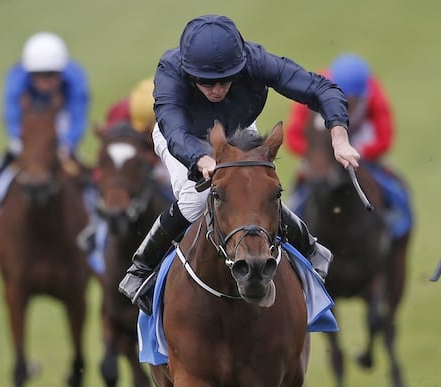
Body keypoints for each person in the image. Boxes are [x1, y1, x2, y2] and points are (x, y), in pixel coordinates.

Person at [118, 14, 359, 315]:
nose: (218, 89)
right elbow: (174, 129)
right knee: (200, 198)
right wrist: (202, 159)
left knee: (255, 188)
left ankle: (310, 248)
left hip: (237, 130)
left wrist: (339, 136)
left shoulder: (255, 60)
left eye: (226, 79)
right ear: (190, 73)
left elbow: (320, 88)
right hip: (182, 137)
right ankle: (140, 268)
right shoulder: (170, 70)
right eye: (207, 83)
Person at [284, 53, 413, 239]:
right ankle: (293, 231)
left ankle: (398, 228)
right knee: (297, 199)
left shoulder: (373, 92)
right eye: (342, 100)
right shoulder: (311, 89)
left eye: (353, 102)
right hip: (321, 154)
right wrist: (320, 155)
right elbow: (293, 137)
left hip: (361, 152)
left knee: (397, 191)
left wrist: (356, 152)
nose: (347, 108)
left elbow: (384, 137)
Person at [0, 32, 90, 237]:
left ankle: (95, 212)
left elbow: (77, 115)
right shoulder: (17, 79)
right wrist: (19, 141)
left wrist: (67, 144)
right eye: (40, 76)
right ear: (30, 73)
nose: (47, 82)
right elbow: (12, 114)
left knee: (81, 169)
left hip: (59, 126)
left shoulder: (75, 78)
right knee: (4, 164)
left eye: (52, 75)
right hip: (28, 131)